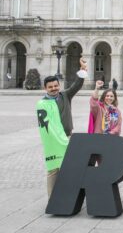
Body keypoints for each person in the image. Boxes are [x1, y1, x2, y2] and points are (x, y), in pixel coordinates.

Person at [36, 58, 87, 198]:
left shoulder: (65, 95)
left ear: (59, 85)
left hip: (67, 136)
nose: (54, 89)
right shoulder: (42, 104)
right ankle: (52, 198)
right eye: (50, 87)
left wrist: (82, 70)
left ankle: (68, 196)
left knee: (69, 166)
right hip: (52, 139)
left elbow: (76, 85)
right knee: (53, 169)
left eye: (56, 86)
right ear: (45, 88)